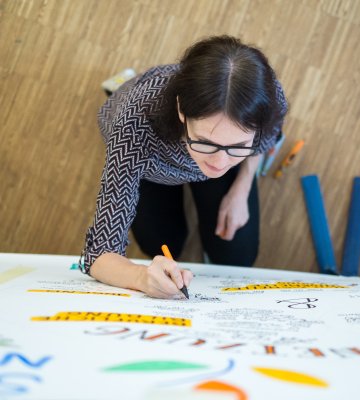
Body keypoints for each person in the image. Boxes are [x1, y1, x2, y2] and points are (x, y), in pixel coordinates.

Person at [79, 35, 288, 299]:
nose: (219, 164)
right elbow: (98, 253)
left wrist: (242, 186)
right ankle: (120, 87)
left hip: (181, 153)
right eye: (205, 141)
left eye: (238, 144)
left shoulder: (269, 98)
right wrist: (140, 276)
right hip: (152, 163)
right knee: (161, 243)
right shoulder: (132, 125)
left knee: (238, 257)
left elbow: (266, 141)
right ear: (181, 110)